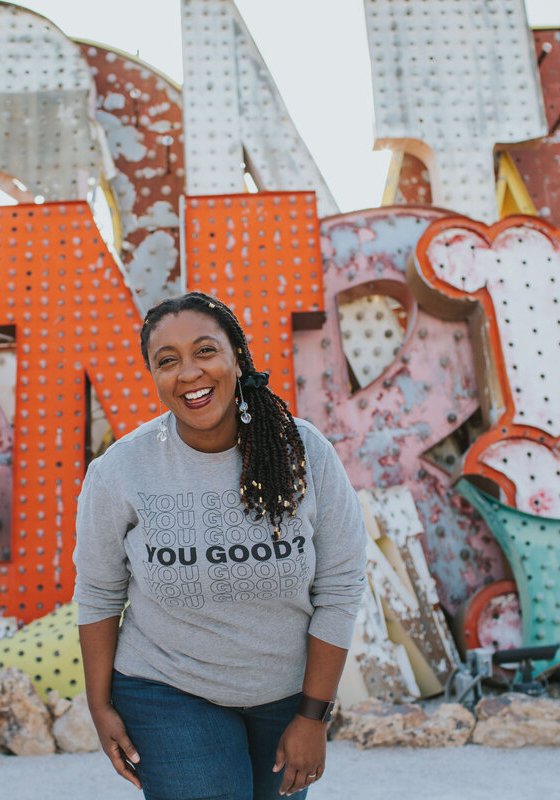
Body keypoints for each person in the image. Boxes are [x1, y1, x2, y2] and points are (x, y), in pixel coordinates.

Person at [73, 291, 367, 799]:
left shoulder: (304, 452)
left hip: (287, 694)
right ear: (154, 376)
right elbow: (98, 593)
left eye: (205, 351)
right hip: (167, 689)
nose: (188, 373)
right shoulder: (120, 471)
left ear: (237, 357)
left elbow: (339, 587)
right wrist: (100, 709)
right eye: (168, 361)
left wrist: (314, 714)